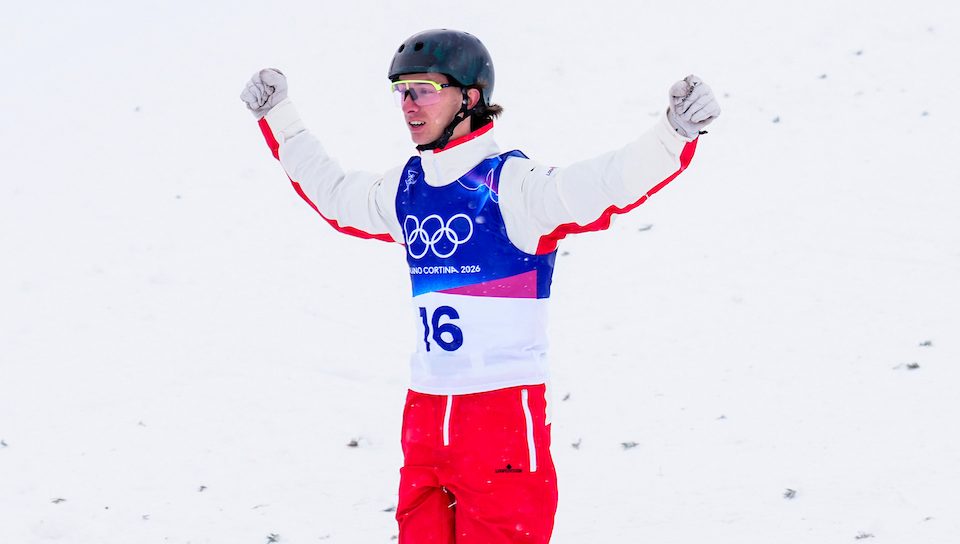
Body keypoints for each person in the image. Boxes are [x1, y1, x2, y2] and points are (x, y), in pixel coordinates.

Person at [241, 28, 719, 544]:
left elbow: (604, 182)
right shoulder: (408, 189)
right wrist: (281, 120)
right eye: (400, 91)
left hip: (502, 423)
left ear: (469, 98)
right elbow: (336, 195)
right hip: (425, 421)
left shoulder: (513, 187)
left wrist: (673, 134)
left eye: (422, 89)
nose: (407, 105)